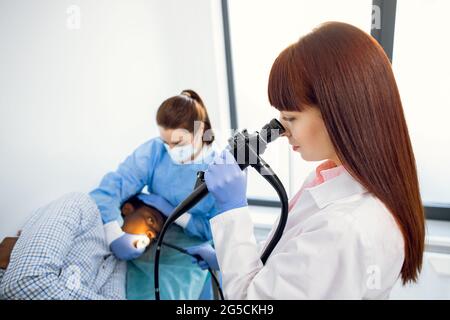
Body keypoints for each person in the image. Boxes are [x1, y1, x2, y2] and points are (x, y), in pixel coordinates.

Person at [190, 22, 425, 299]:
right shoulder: (331, 178)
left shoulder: (344, 229)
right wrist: (228, 258)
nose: (283, 130)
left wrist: (232, 212)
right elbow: (293, 266)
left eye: (291, 118)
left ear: (339, 113)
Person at [90, 90, 218, 261]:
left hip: (192, 246)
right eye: (166, 143)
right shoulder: (155, 151)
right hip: (154, 237)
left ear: (199, 129)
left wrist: (179, 216)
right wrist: (112, 232)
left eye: (178, 142)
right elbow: (111, 189)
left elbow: (220, 230)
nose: (171, 150)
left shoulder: (219, 170)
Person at [0, 192, 165, 299]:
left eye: (155, 236)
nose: (151, 235)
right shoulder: (81, 206)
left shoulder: (119, 263)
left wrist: (59, 283)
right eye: (151, 220)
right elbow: (23, 284)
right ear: (127, 209)